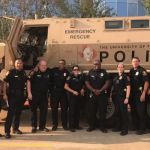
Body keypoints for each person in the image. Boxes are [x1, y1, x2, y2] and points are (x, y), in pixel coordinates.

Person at [3, 59, 28, 139]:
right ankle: (7, 131)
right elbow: (4, 83)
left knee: (18, 113)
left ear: (22, 64)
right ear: (15, 64)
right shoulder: (10, 72)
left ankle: (15, 128)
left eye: (20, 63)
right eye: (17, 63)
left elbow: (27, 82)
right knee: (10, 114)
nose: (19, 64)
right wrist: (4, 94)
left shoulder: (23, 73)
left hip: (21, 96)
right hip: (12, 96)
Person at [85, 60, 110, 132]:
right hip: (92, 95)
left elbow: (107, 83)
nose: (97, 65)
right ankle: (92, 126)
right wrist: (93, 90)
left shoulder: (104, 72)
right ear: (93, 64)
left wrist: (100, 90)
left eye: (98, 64)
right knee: (92, 111)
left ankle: (102, 127)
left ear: (100, 64)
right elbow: (87, 83)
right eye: (95, 64)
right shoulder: (90, 72)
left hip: (102, 95)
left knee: (102, 111)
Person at [27, 59, 50, 133]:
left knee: (44, 111)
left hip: (44, 95)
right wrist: (29, 93)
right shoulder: (33, 72)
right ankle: (34, 127)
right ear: (39, 65)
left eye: (45, 65)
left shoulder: (48, 72)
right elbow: (28, 81)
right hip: (34, 95)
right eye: (42, 65)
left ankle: (42, 127)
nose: (44, 67)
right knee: (33, 111)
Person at [129, 57, 149, 135]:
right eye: (133, 61)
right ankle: (136, 126)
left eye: (136, 61)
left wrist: (144, 93)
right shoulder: (131, 70)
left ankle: (143, 129)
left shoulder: (142, 70)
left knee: (141, 112)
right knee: (134, 112)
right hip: (133, 95)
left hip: (140, 94)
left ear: (139, 62)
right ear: (132, 63)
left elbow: (146, 82)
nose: (135, 63)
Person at [111, 63, 130, 136]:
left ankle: (125, 130)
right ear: (117, 68)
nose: (120, 68)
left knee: (123, 114)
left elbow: (128, 87)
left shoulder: (125, 77)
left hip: (123, 97)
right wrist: (110, 96)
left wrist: (127, 98)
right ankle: (118, 127)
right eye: (119, 67)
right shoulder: (115, 77)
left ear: (123, 68)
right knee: (117, 113)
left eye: (121, 67)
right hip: (116, 97)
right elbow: (113, 87)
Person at [50, 59, 69, 131]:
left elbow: (68, 82)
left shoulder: (67, 72)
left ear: (64, 65)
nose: (60, 65)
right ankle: (54, 125)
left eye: (62, 63)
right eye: (59, 63)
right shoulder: (54, 71)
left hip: (63, 93)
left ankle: (64, 125)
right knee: (54, 109)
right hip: (54, 93)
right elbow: (49, 80)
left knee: (64, 109)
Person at [64, 65, 84, 132]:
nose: (76, 71)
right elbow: (65, 87)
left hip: (79, 96)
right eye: (74, 70)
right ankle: (71, 127)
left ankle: (76, 125)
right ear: (72, 71)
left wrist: (82, 89)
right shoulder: (70, 77)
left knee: (78, 111)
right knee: (72, 112)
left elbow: (83, 84)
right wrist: (73, 91)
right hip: (72, 96)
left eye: (77, 69)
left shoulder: (80, 77)